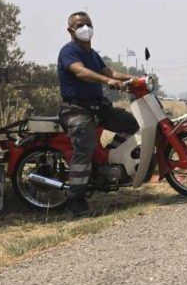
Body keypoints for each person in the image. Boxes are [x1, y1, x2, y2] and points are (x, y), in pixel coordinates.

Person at [57, 11, 139, 218]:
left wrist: (135, 79)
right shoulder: (69, 51)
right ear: (70, 30)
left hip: (98, 107)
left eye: (88, 24)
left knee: (131, 124)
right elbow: (81, 72)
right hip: (76, 109)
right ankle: (75, 201)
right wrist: (107, 82)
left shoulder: (92, 54)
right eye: (80, 25)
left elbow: (108, 72)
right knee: (85, 147)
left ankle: (108, 162)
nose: (85, 28)